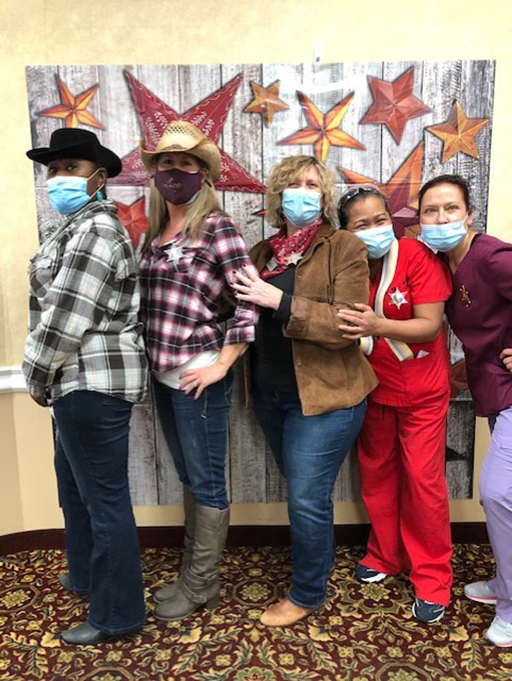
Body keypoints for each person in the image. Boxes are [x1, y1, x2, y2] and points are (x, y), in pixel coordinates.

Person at [232, 155, 377, 627]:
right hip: (273, 397)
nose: (301, 191)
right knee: (302, 491)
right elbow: (236, 312)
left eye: (311, 184)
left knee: (306, 498)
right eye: (291, 184)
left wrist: (279, 300)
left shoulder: (345, 246)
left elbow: (346, 325)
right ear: (277, 195)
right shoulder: (261, 254)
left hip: (327, 398)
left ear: (324, 194)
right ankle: (314, 572)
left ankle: (309, 591)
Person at [23, 128, 147, 645]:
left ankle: (117, 615)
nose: (59, 179)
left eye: (70, 168)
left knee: (103, 501)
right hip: (73, 382)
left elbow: (65, 317)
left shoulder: (95, 229)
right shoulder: (71, 227)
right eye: (53, 169)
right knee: (75, 490)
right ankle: (86, 576)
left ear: (99, 177)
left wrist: (34, 375)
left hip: (91, 381)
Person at [138, 120, 258, 621]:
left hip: (199, 374)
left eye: (188, 163)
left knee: (206, 480)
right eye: (167, 162)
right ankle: (194, 575)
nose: (176, 171)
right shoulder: (152, 230)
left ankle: (202, 584)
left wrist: (221, 364)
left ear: (203, 174)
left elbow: (251, 302)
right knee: (189, 474)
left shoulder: (217, 226)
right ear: (155, 171)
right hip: (161, 374)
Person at [337, 185, 453, 623]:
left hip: (422, 392)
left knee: (424, 485)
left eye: (380, 220)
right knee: (377, 476)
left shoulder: (416, 257)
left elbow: (429, 326)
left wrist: (376, 323)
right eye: (361, 224)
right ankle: (386, 554)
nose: (373, 230)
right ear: (346, 232)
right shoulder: (345, 263)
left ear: (394, 219)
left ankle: (433, 577)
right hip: (373, 389)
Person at [418, 173, 512, 646]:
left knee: (496, 493)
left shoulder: (491, 256)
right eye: (430, 211)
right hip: (498, 389)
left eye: (450, 209)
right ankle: (504, 583)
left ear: (469, 213)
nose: (441, 219)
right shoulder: (445, 265)